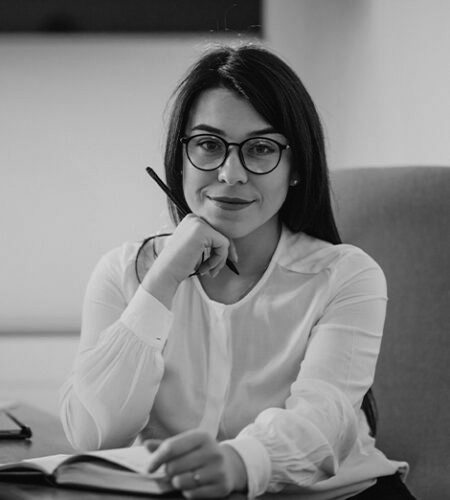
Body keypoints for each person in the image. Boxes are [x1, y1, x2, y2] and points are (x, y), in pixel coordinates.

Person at [60, 43, 415, 499]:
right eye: (209, 145)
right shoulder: (123, 272)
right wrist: (161, 283)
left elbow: (324, 420)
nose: (230, 173)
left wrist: (240, 462)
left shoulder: (346, 276)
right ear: (180, 156)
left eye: (261, 148)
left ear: (296, 168)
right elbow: (92, 436)